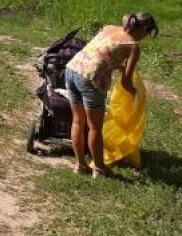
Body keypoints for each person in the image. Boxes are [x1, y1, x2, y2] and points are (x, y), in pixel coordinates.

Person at [64, 12, 158, 178]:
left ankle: (80, 165)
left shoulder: (108, 28)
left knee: (78, 121)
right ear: (143, 29)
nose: (145, 37)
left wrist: (116, 67)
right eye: (148, 33)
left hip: (72, 70)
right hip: (91, 80)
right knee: (95, 127)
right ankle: (99, 169)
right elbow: (126, 83)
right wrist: (134, 94)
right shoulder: (133, 46)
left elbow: (100, 54)